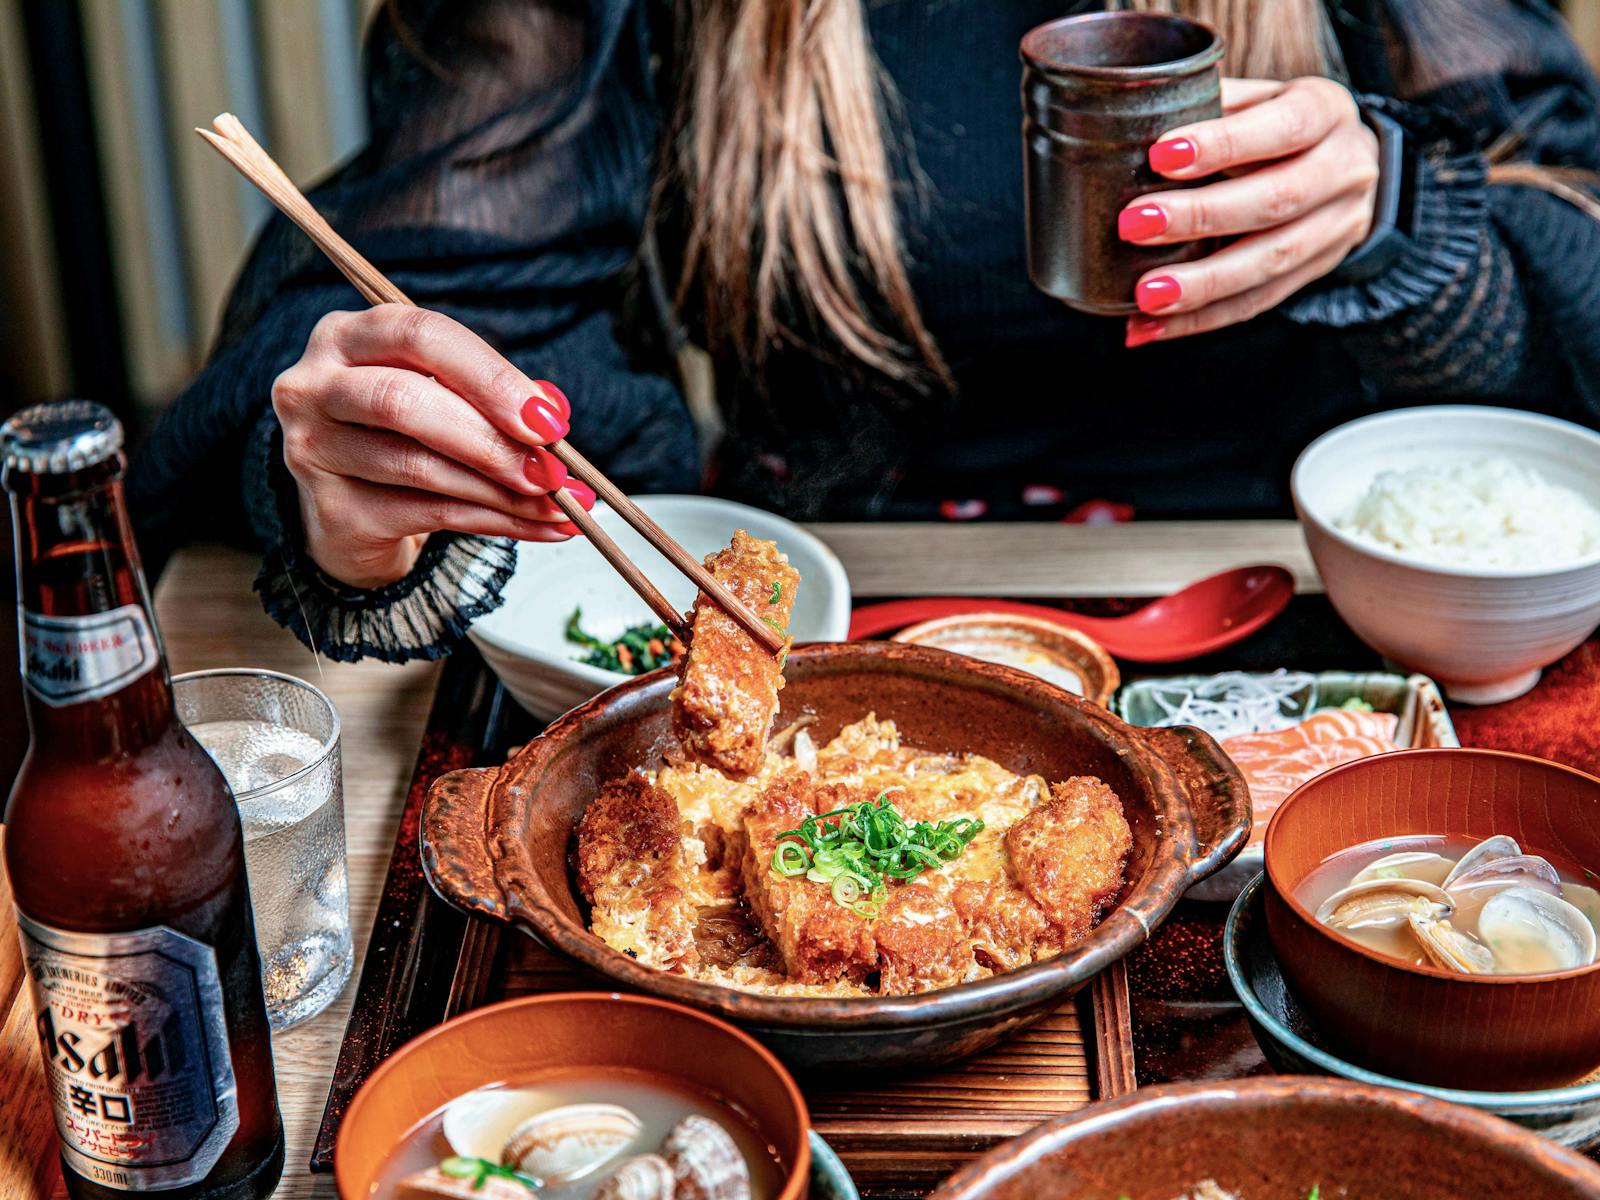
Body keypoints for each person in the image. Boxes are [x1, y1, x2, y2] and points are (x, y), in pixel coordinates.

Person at [130, 0, 1600, 663]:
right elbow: (425, 308)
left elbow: (1573, 294)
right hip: (821, 620)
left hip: (1300, 613)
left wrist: (1408, 211)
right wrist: (396, 454)